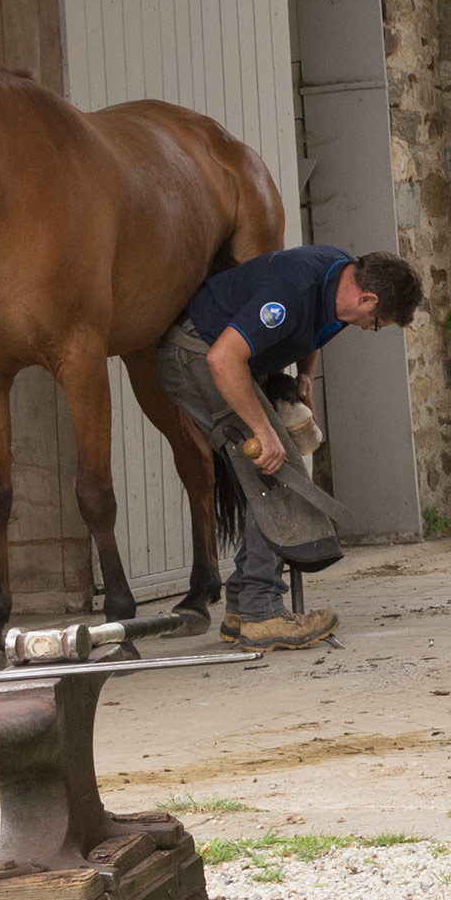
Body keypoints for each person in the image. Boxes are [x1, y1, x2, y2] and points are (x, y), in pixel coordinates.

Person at [154, 243, 422, 649]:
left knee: (274, 468)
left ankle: (243, 607)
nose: (370, 328)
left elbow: (319, 326)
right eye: (375, 321)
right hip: (196, 355)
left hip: (231, 359)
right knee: (278, 471)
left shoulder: (344, 279)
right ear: (366, 298)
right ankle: (262, 615)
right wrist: (264, 431)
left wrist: (304, 378)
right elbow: (223, 359)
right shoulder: (291, 291)